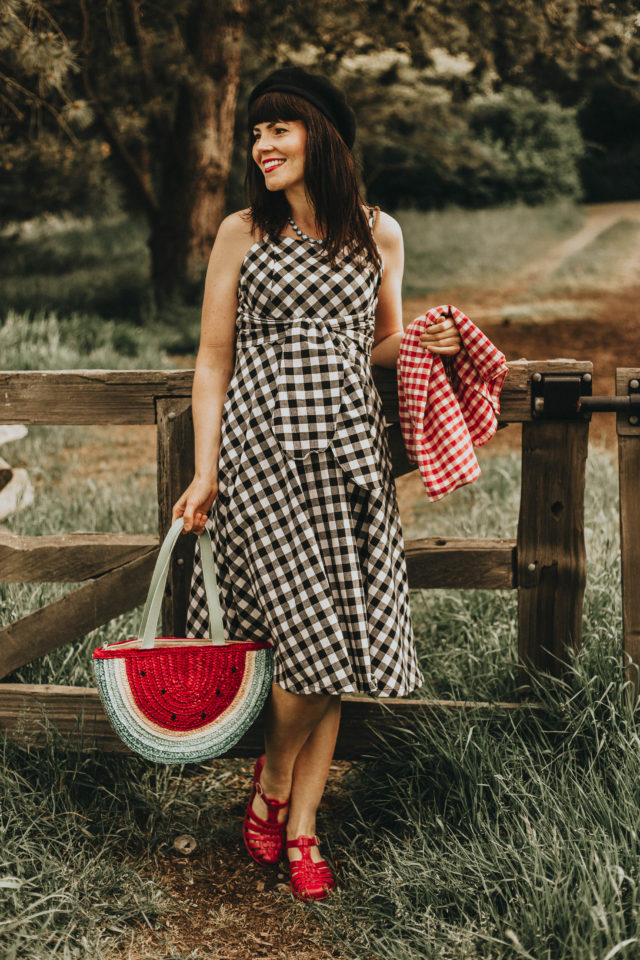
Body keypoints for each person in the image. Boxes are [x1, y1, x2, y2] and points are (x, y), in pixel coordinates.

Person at [171, 66, 462, 902]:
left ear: (322, 137)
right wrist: (206, 467)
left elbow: (381, 345)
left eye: (278, 129)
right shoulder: (240, 232)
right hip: (261, 456)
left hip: (347, 458)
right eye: (255, 133)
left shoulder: (380, 234)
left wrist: (425, 342)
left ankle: (301, 827)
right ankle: (269, 788)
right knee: (312, 640)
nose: (260, 145)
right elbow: (213, 360)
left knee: (330, 643)